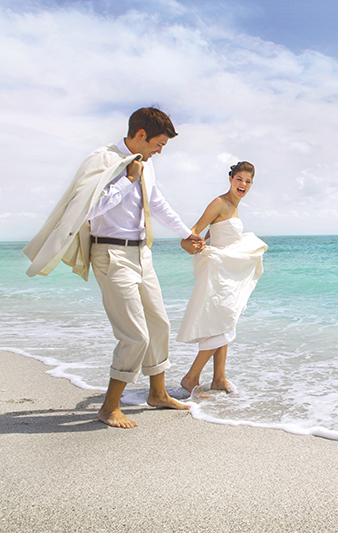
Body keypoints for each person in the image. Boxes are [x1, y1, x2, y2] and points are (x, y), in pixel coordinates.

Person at [24, 107, 204, 428]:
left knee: (158, 324)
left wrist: (187, 233)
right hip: (110, 254)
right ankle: (109, 407)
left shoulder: (146, 165)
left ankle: (158, 394)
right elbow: (90, 209)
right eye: (158, 144)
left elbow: (157, 202)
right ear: (140, 136)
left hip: (141, 254)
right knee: (135, 335)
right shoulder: (103, 160)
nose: (160, 151)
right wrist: (127, 179)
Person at [177, 162, 267, 396]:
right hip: (218, 272)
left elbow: (211, 234)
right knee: (222, 324)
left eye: (248, 181)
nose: (243, 185)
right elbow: (195, 230)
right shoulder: (220, 203)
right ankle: (191, 377)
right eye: (239, 179)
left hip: (226, 271)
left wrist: (207, 242)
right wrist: (192, 244)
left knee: (224, 321)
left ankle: (219, 378)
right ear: (230, 179)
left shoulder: (235, 207)